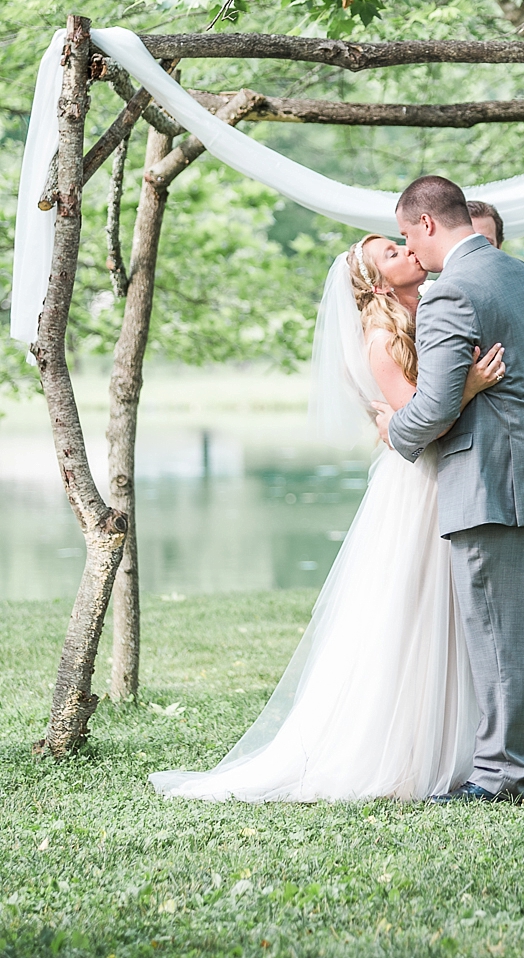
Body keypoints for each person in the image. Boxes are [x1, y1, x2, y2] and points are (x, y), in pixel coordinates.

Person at [149, 234, 505, 803]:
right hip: (419, 488)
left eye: (402, 243)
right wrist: (470, 386)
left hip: (454, 474)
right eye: (392, 253)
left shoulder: (437, 304)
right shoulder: (382, 340)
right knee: (416, 612)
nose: (408, 250)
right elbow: (422, 419)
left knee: (456, 613)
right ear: (378, 284)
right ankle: (408, 754)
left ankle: (470, 749)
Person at [374, 176, 524, 803]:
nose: (408, 248)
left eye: (404, 234)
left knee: (500, 629)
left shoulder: (451, 296)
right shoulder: (521, 274)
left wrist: (396, 432)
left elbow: (439, 405)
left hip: (496, 479)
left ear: (423, 225)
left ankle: (502, 776)